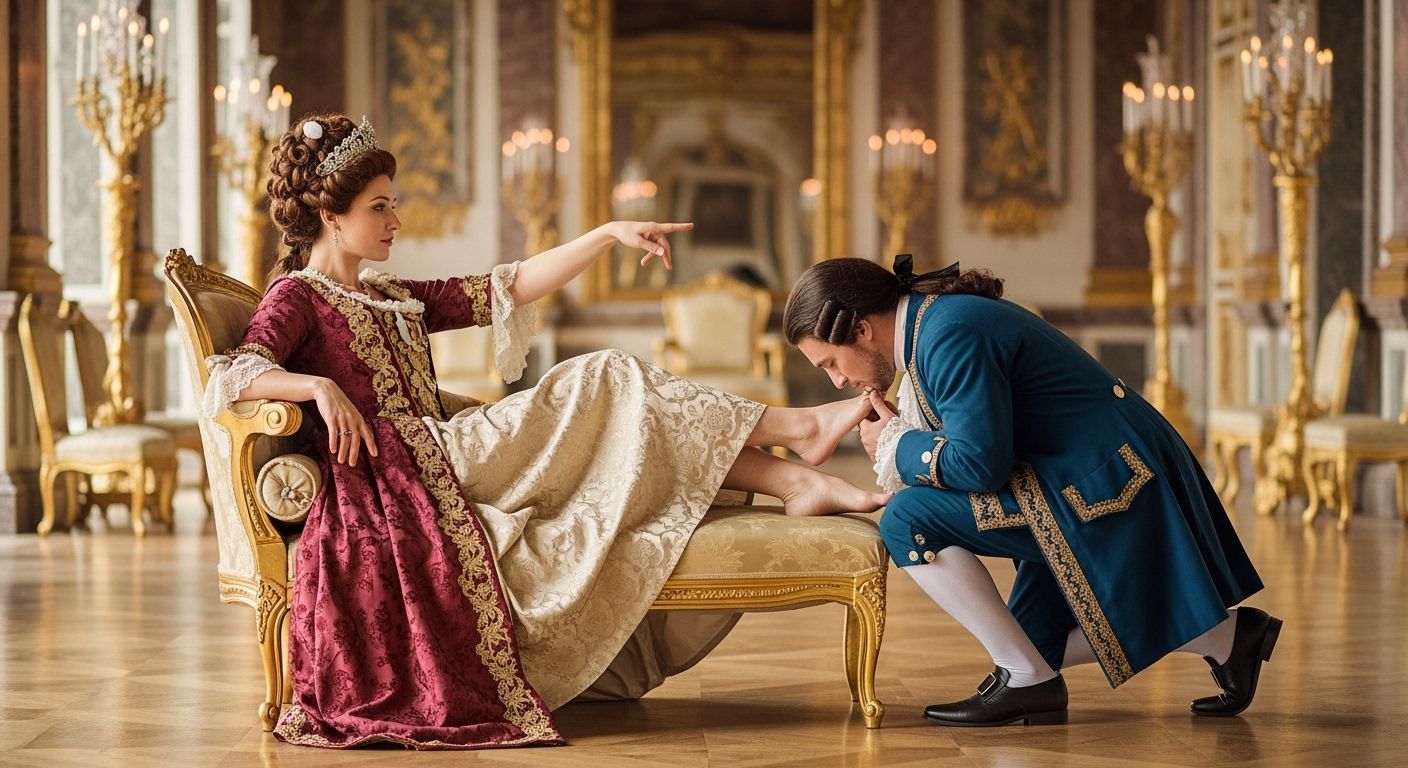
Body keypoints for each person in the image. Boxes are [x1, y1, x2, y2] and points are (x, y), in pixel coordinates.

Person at [206, 113, 890, 750]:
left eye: (391, 203)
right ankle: (799, 433)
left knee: (628, 404)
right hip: (420, 469)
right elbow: (233, 373)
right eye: (379, 206)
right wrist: (316, 386)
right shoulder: (295, 296)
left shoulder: (389, 295)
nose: (396, 219)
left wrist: (605, 234)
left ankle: (795, 472)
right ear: (331, 215)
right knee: (608, 377)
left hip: (452, 446)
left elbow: (511, 284)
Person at [782, 254, 1280, 727]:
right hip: (1084, 474)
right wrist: (902, 439)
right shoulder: (933, 327)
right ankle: (1228, 636)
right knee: (1030, 643)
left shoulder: (946, 333)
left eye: (831, 363)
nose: (839, 380)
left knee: (907, 520)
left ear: (862, 329)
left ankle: (1025, 679)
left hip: (1108, 484)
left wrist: (899, 444)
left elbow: (979, 465)